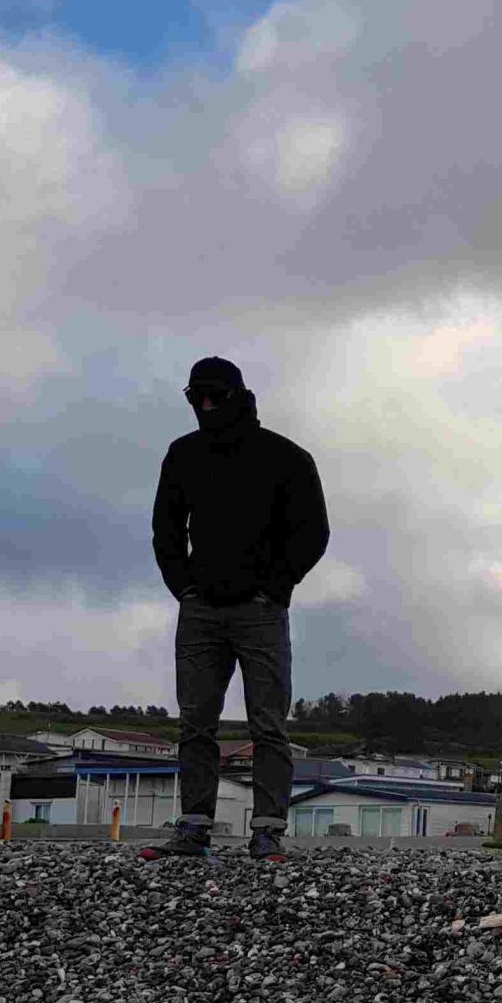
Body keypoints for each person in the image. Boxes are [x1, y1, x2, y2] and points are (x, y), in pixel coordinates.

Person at [142, 357, 330, 864]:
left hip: (260, 612)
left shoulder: (286, 458)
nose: (205, 405)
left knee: (268, 725)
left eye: (214, 396)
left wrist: (275, 588)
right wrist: (184, 588)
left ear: (238, 396)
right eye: (195, 397)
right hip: (200, 611)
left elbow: (313, 532)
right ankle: (193, 829)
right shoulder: (182, 455)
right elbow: (165, 529)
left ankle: (267, 832)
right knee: (195, 723)